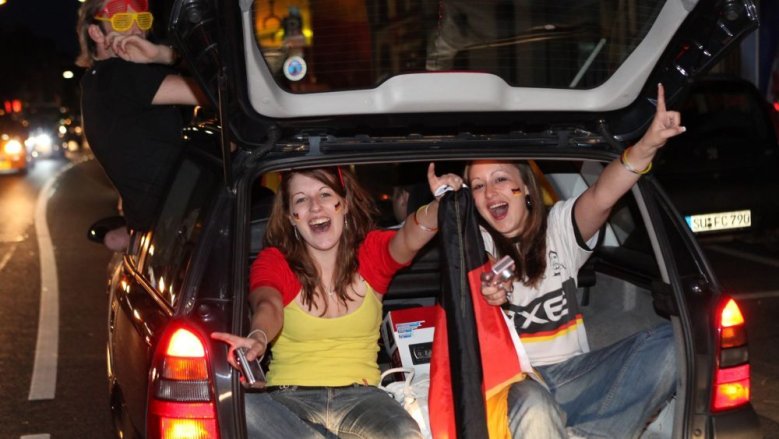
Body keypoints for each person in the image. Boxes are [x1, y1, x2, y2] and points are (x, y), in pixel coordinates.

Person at [466, 83, 684, 438]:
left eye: (501, 179)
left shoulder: (559, 227)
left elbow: (602, 194)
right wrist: (490, 286)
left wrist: (647, 145)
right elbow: (484, 268)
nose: (490, 192)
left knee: (674, 345)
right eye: (477, 186)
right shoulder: (477, 240)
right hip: (518, 385)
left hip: (575, 375)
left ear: (526, 187)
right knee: (535, 403)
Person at [211, 164, 463, 438]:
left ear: (344, 203)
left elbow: (410, 237)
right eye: (301, 200)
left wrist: (439, 205)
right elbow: (268, 305)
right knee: (239, 405)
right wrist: (258, 337)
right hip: (290, 399)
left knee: (404, 433)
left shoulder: (371, 253)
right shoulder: (275, 262)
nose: (315, 207)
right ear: (291, 216)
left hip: (364, 400)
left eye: (325, 194)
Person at [76, 0, 208, 252]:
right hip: (186, 219)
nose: (136, 29)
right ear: (96, 33)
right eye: (122, 21)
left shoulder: (96, 80)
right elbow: (220, 93)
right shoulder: (120, 75)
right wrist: (162, 54)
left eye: (142, 20)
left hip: (158, 222)